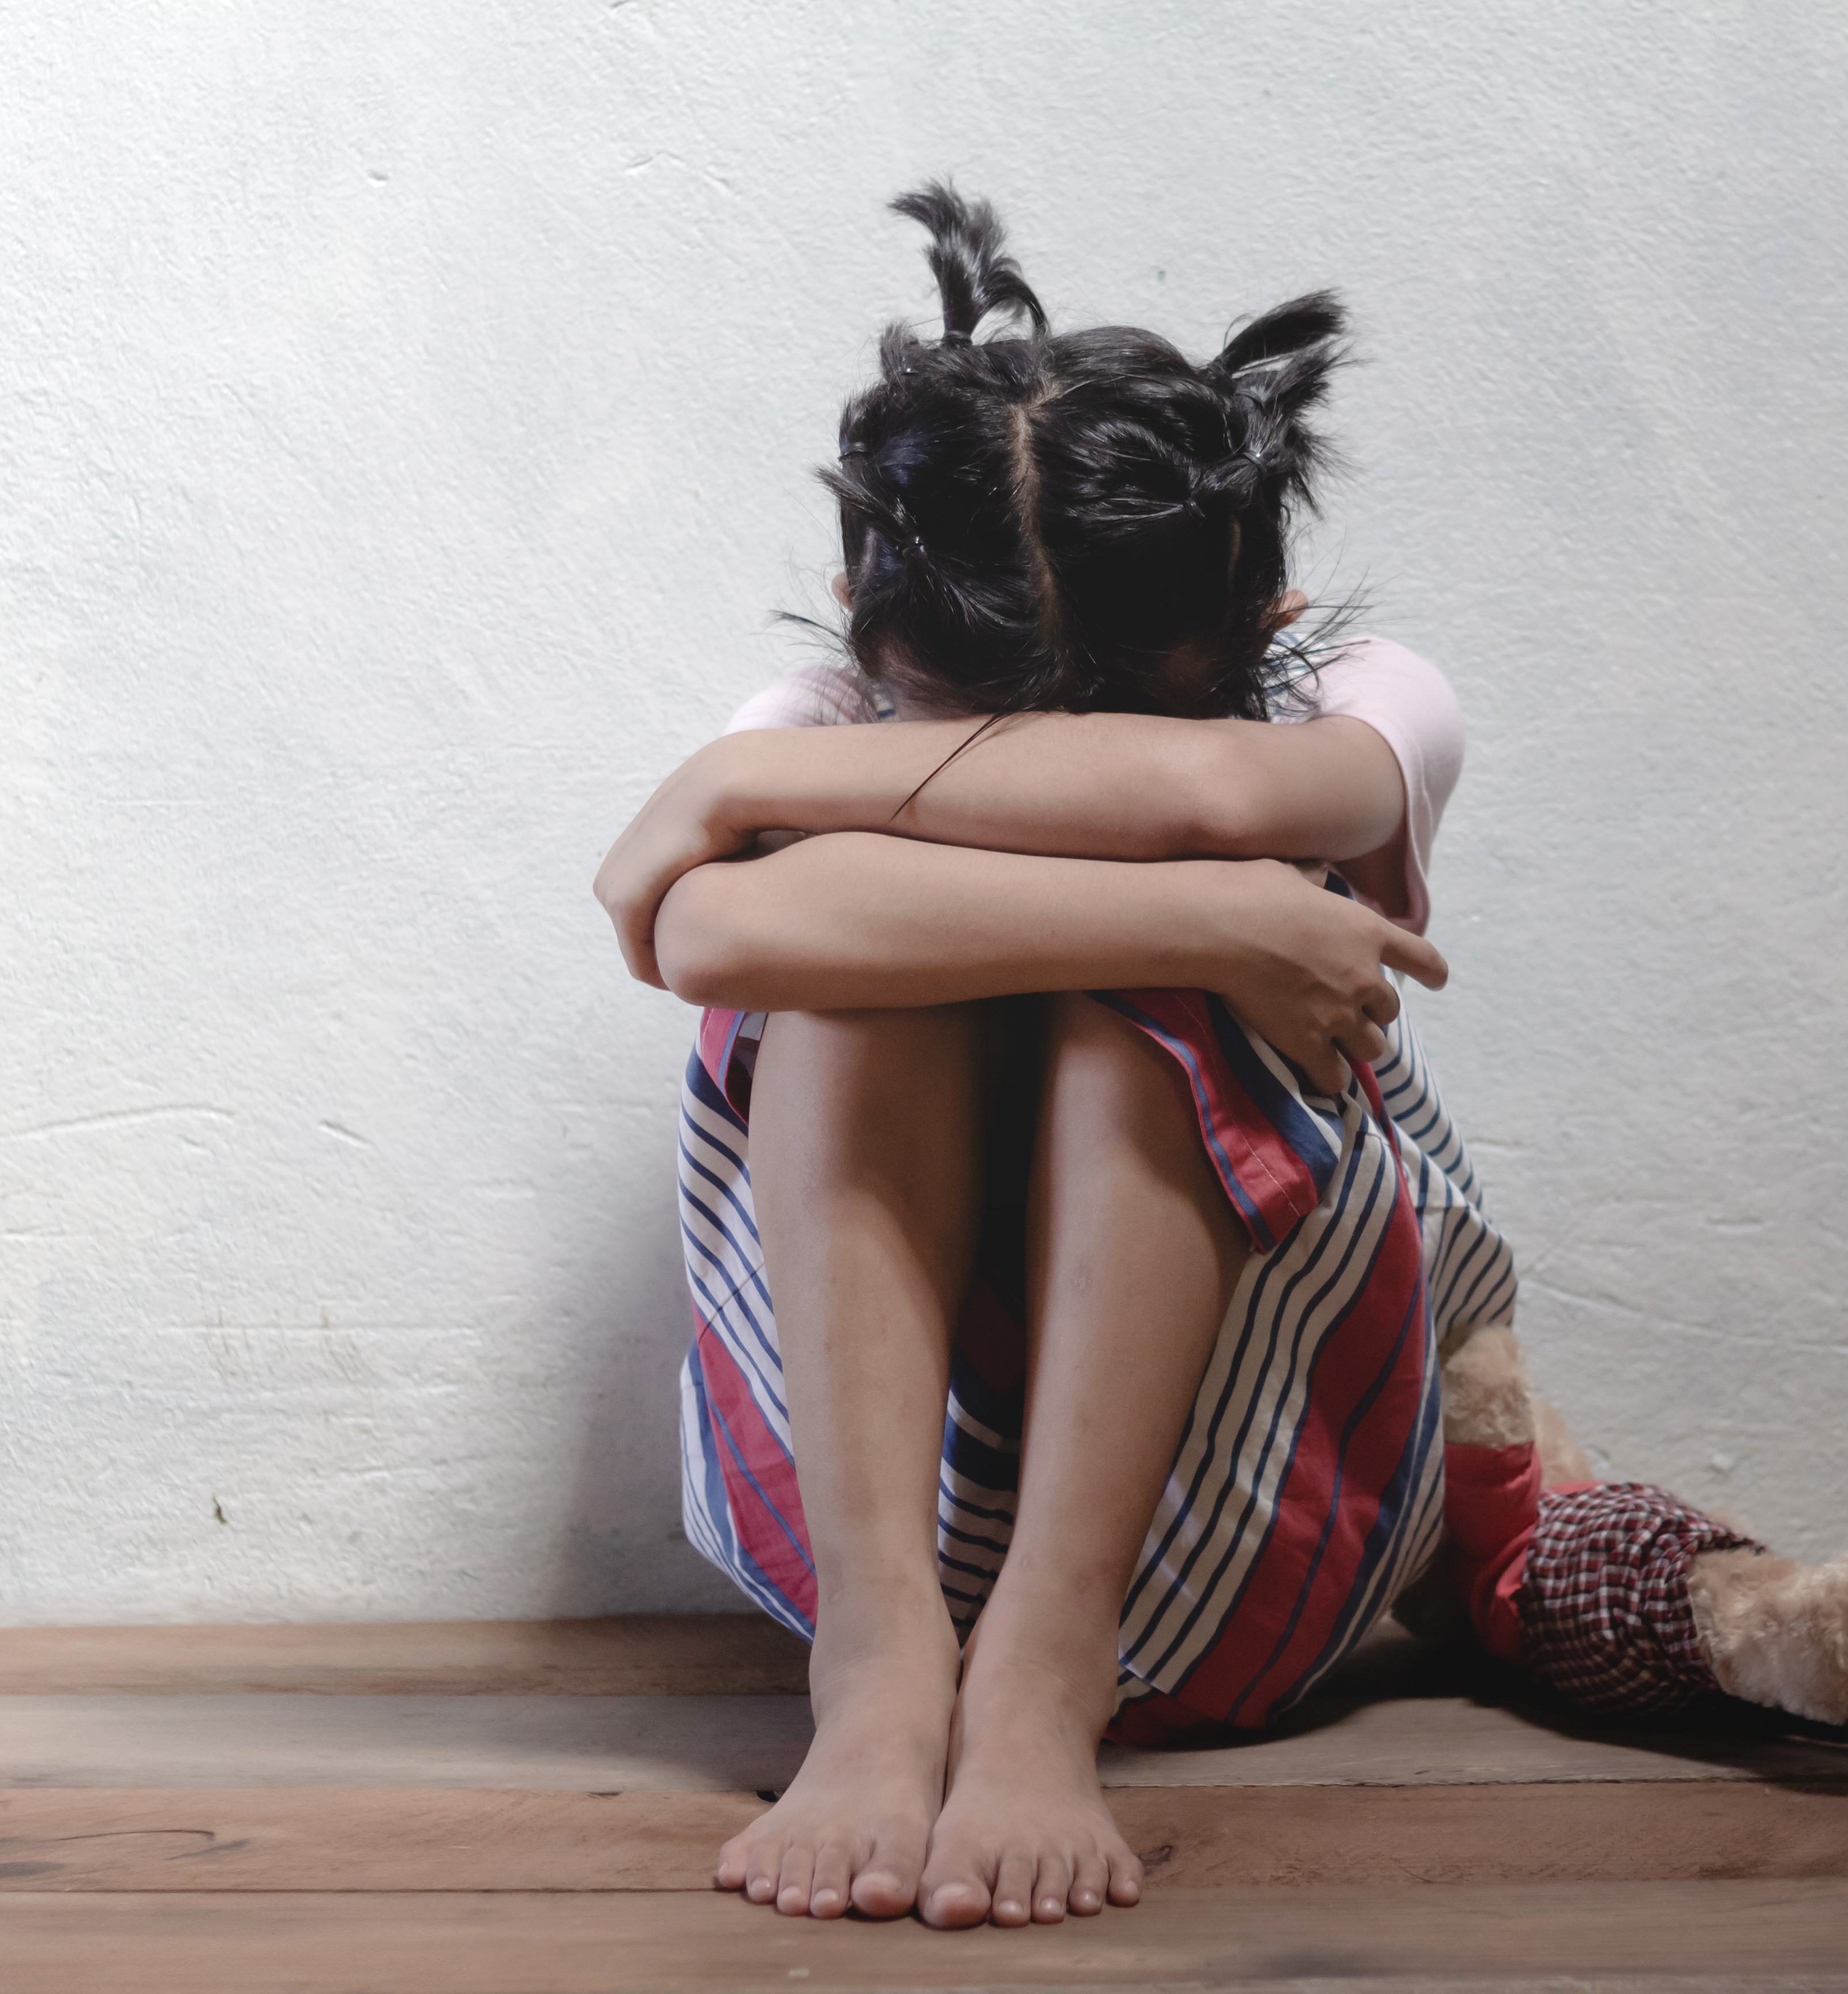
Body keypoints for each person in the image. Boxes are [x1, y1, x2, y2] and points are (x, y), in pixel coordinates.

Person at [593, 184, 1513, 1931]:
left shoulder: (1366, 692)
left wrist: (734, 802)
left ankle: (1045, 1675)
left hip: (1254, 1522)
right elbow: (709, 946)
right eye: (982, 723)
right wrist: (1210, 922)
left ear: (1269, 622)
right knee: (887, 977)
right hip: (886, 1532)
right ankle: (879, 1674)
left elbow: (1232, 799)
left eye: (1088, 726)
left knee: (1119, 996)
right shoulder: (812, 716)